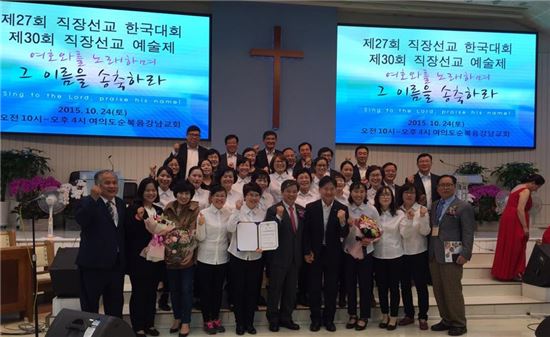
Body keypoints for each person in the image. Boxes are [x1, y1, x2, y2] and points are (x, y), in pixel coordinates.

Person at [429, 175, 475, 336]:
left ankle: (459, 323)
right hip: (435, 254)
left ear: (454, 187)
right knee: (439, 290)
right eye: (442, 185)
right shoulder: (435, 205)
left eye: (448, 185)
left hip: (453, 255)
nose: (445, 188)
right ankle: (446, 319)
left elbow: (468, 232)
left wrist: (466, 253)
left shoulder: (463, 206)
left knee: (452, 290)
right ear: (437, 188)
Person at [75, 170, 125, 318]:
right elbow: (81, 220)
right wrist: (93, 198)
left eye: (114, 183)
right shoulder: (87, 202)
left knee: (115, 306)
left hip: (115, 266)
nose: (112, 186)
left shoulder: (121, 204)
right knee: (90, 308)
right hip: (93, 265)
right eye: (107, 183)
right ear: (97, 185)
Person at [303, 176, 349, 332]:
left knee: (331, 288)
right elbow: (306, 233)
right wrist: (307, 251)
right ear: (319, 190)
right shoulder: (311, 207)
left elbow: (345, 233)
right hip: (315, 253)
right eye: (325, 189)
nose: (329, 192)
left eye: (332, 189)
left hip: (333, 253)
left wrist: (343, 221)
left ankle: (329, 319)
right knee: (314, 287)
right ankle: (315, 319)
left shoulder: (342, 208)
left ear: (336, 190)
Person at [125, 178, 165, 337]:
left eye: (153, 190)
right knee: (139, 292)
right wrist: (138, 218)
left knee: (151, 292)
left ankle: (150, 323)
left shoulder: (159, 210)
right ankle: (138, 326)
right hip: (138, 258)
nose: (151, 193)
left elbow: (162, 231)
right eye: (147, 190)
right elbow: (129, 232)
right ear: (141, 192)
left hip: (156, 258)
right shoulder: (134, 209)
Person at [264, 180, 304, 332]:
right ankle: (273, 319)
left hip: (295, 258)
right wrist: (279, 218)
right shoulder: (273, 210)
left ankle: (286, 318)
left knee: (291, 291)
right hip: (278, 258)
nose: (291, 194)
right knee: (275, 290)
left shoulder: (301, 210)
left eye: (294, 191)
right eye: (288, 191)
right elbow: (269, 232)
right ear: (282, 192)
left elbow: (302, 234)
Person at [227, 183, 266, 335]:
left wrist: (264, 244)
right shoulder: (236, 210)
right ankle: (239, 323)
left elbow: (265, 234)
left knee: (252, 291)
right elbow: (230, 228)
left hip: (255, 257)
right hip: (238, 256)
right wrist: (237, 210)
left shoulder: (263, 212)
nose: (254, 198)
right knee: (238, 290)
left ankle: (249, 323)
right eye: (251, 195)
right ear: (245, 196)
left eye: (256, 195)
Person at [492, 174, 546, 281]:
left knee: (507, 243)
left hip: (508, 217)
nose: (536, 190)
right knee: (517, 245)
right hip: (515, 219)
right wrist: (525, 227)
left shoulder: (517, 187)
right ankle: (514, 273)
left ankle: (502, 272)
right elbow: (520, 209)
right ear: (533, 183)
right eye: (537, 187)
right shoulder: (526, 191)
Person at [163, 181, 200, 337]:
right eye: (181, 193)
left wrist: (190, 253)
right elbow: (163, 229)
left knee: (186, 290)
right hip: (170, 254)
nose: (184, 196)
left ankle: (186, 321)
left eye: (187, 194)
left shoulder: (195, 209)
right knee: (174, 289)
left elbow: (194, 232)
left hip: (187, 256)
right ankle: (177, 318)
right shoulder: (168, 208)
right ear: (176, 193)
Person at [196, 185, 232, 334]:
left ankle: (216, 318)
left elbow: (230, 235)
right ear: (211, 198)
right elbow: (200, 237)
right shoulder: (203, 213)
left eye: (222, 196)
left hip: (222, 258)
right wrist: (200, 225)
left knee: (218, 291)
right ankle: (207, 320)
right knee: (206, 291)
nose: (220, 198)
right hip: (205, 257)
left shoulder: (228, 213)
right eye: (217, 195)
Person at [372, 186, 408, 331]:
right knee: (381, 287)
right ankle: (384, 314)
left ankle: (393, 316)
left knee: (394, 288)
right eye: (382, 195)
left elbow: (405, 233)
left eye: (388, 195)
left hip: (395, 255)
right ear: (378, 198)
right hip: (378, 254)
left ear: (392, 198)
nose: (385, 197)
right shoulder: (374, 213)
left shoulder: (399, 214)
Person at [343, 182, 378, 331]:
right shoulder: (345, 209)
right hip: (348, 252)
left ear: (365, 193)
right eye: (356, 192)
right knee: (350, 284)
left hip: (366, 252)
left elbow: (379, 230)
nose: (358, 194)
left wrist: (370, 239)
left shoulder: (371, 209)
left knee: (365, 285)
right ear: (350, 193)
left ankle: (364, 315)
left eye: (361, 192)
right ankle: (352, 314)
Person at [398, 183, 431, 330]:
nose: (409, 195)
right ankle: (409, 314)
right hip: (402, 253)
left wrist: (422, 217)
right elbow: (403, 235)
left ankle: (423, 316)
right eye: (406, 192)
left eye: (412, 193)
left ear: (416, 195)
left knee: (421, 286)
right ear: (402, 195)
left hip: (419, 252)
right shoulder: (398, 211)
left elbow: (425, 232)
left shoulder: (422, 209)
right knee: (405, 286)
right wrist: (409, 220)